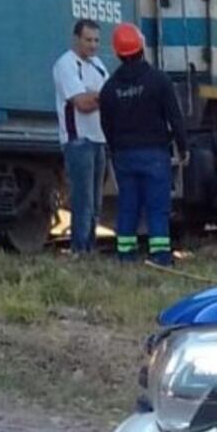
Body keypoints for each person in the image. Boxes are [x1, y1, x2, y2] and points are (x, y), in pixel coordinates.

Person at [100, 23, 188, 267]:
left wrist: (116, 149)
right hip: (153, 154)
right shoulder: (158, 80)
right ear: (142, 48)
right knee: (157, 207)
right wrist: (184, 147)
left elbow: (105, 124)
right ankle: (160, 256)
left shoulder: (110, 88)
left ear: (118, 52)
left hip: (124, 156)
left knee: (128, 206)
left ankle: (125, 256)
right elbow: (174, 116)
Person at [53, 19, 109, 255]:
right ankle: (79, 249)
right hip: (78, 141)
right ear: (76, 39)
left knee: (95, 201)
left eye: (96, 40)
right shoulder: (66, 65)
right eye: (88, 40)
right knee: (83, 200)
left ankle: (90, 247)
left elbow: (104, 96)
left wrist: (96, 96)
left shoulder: (98, 65)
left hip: (99, 139)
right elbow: (82, 103)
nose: (93, 45)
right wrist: (101, 97)